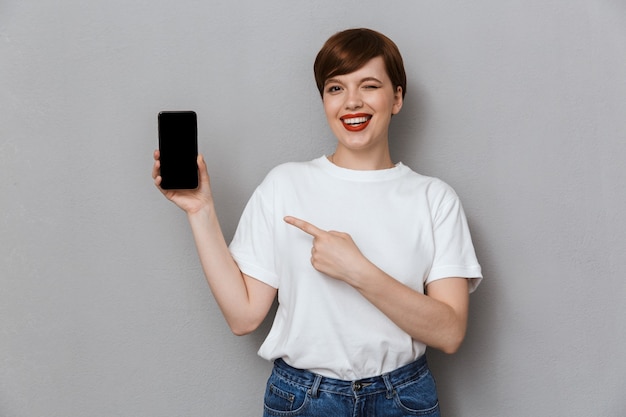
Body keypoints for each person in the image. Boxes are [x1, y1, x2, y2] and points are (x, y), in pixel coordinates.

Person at [153, 28, 482, 417]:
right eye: (335, 88)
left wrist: (357, 270)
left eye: (369, 85)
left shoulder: (434, 199)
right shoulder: (285, 184)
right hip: (303, 400)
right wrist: (201, 212)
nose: (352, 102)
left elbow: (449, 332)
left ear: (396, 97)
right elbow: (243, 316)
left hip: (402, 400)